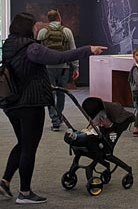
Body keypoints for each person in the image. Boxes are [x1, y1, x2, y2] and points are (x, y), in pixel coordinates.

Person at [0, 12, 107, 204]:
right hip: (30, 104)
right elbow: (59, 57)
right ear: (27, 27)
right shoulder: (31, 48)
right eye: (34, 26)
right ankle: (24, 193)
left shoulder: (8, 45)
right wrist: (88, 49)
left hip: (12, 102)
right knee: (29, 148)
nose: (36, 29)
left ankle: (5, 181)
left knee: (22, 143)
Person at [37, 9, 79, 131]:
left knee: (50, 94)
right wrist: (76, 67)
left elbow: (37, 52)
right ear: (59, 18)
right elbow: (73, 50)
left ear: (48, 19)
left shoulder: (42, 32)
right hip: (63, 67)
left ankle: (55, 120)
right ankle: (59, 116)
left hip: (47, 68)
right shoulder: (67, 31)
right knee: (61, 93)